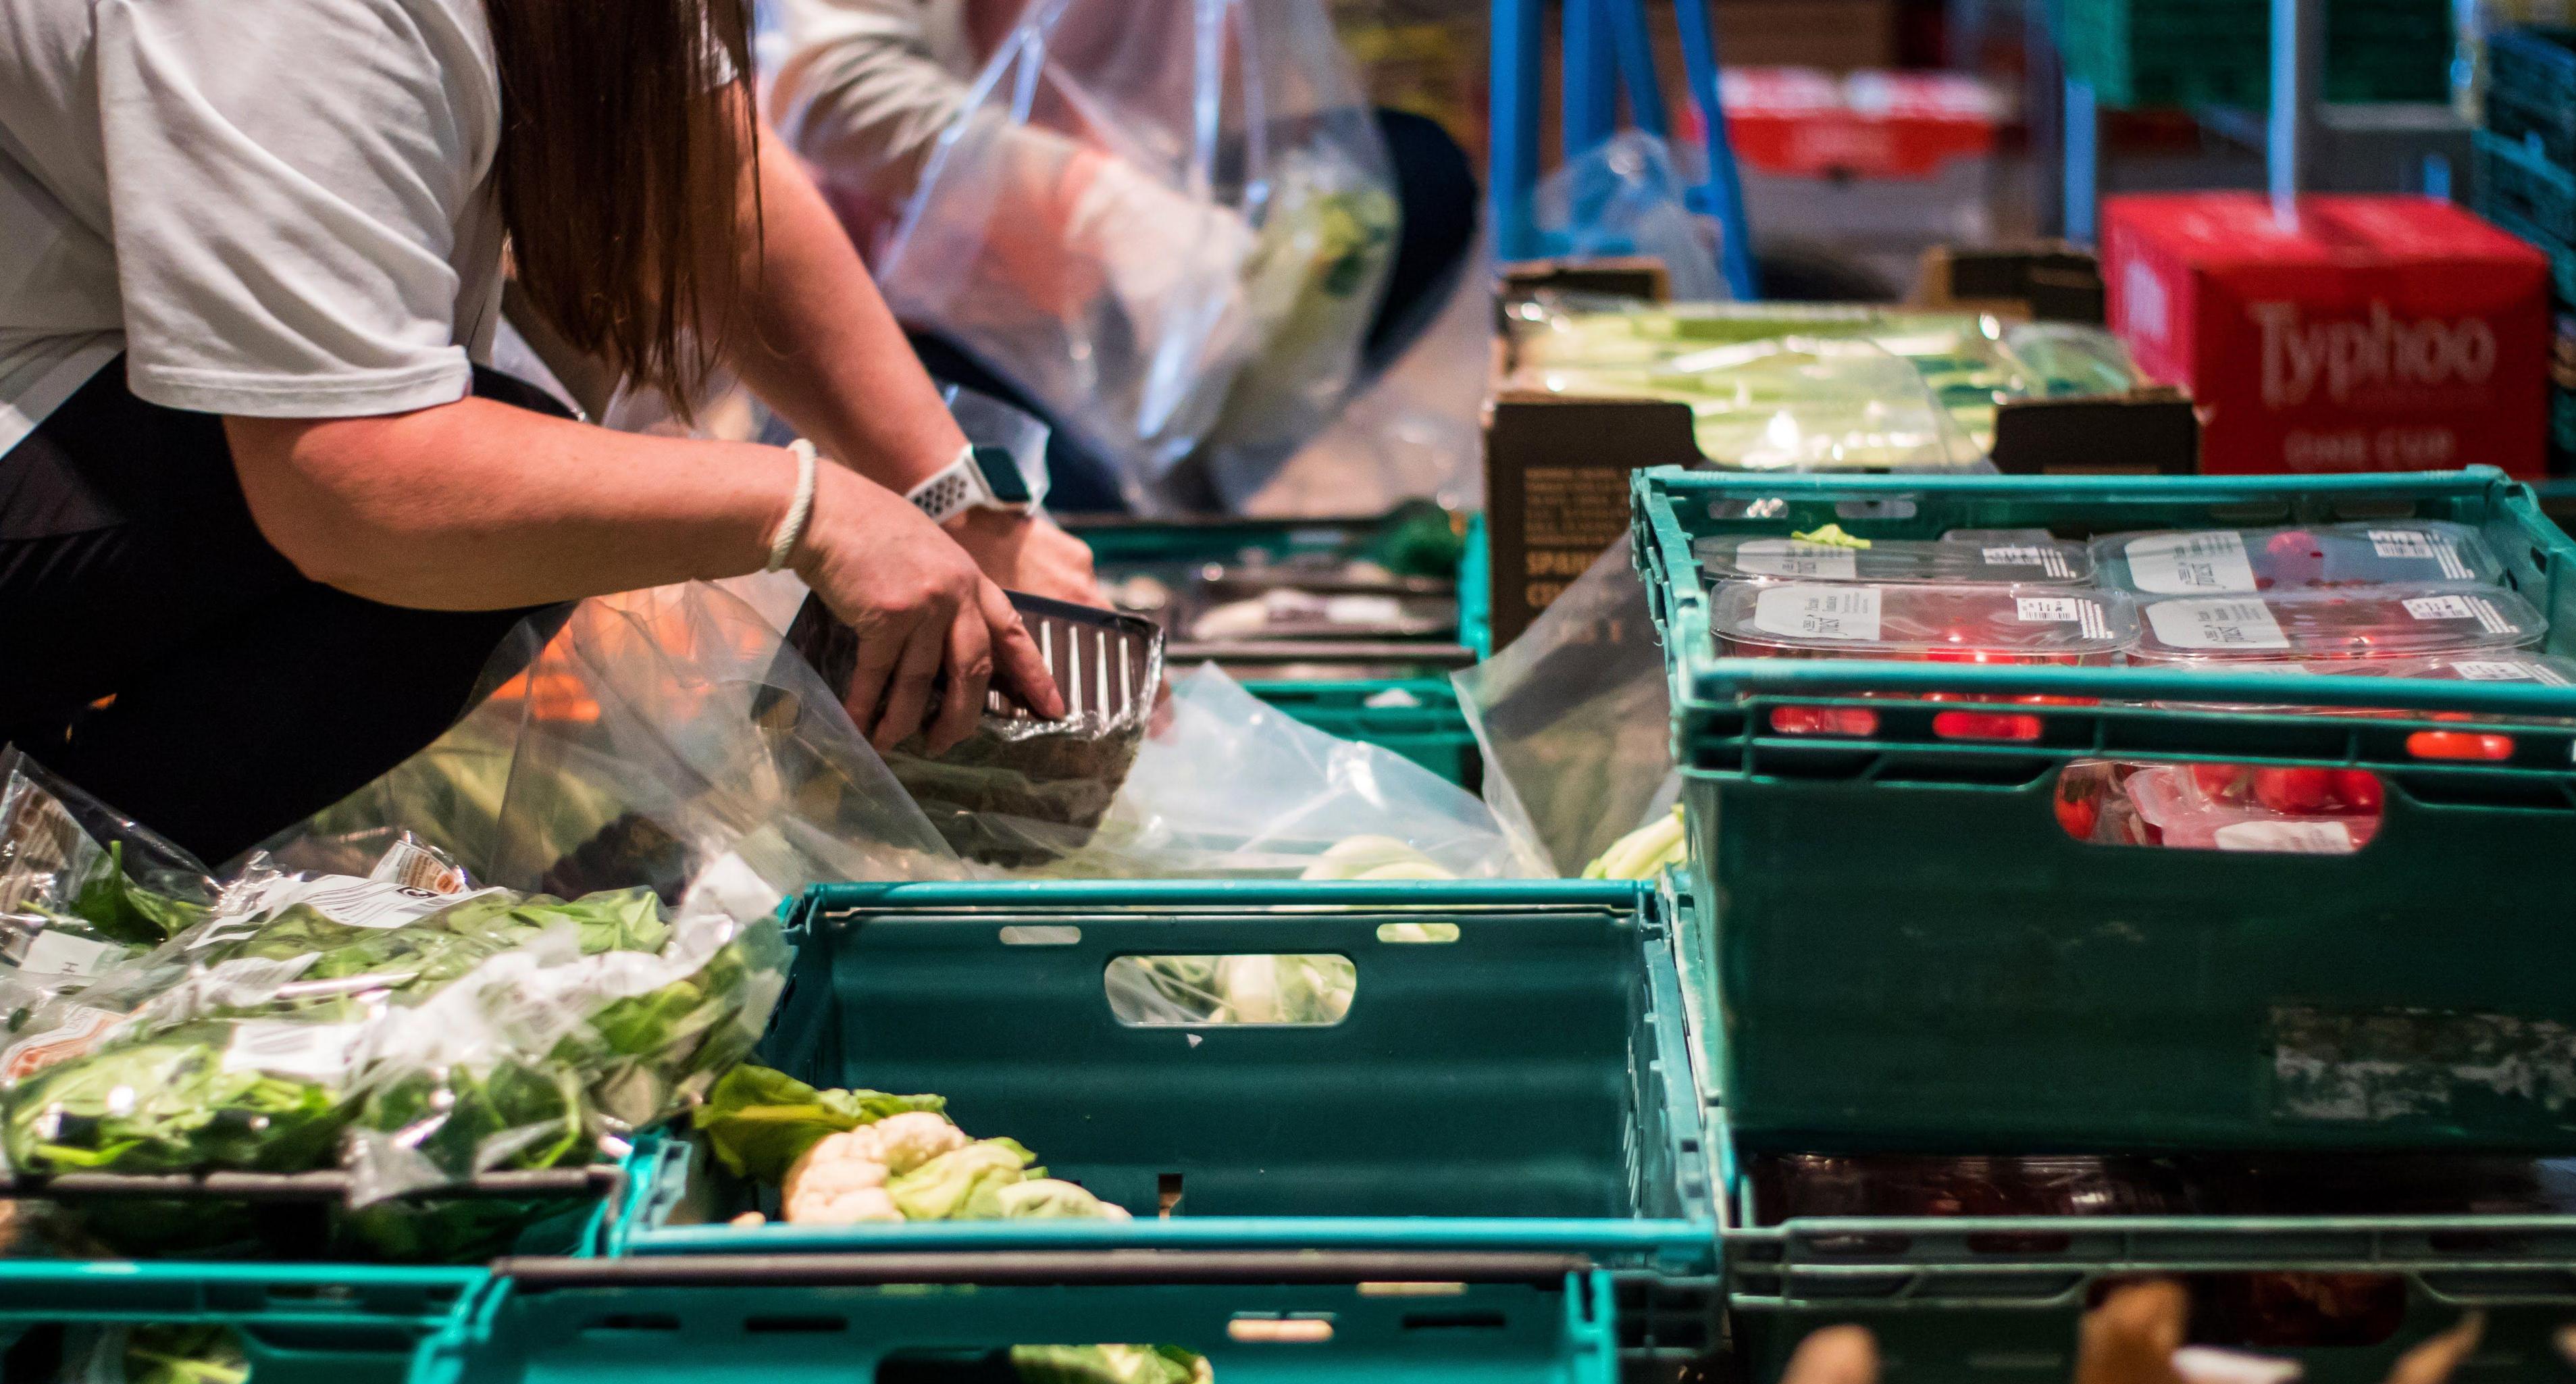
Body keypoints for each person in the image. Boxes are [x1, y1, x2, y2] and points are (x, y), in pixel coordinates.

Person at [0, 0, 1112, 864]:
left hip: (98, 378)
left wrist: (953, 502)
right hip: (44, 413)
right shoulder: (294, 24)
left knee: (533, 468)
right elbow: (351, 479)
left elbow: (708, 179)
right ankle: (73, 923)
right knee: (489, 501)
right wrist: (802, 508)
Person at [766, 0, 1479, 513]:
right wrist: (1093, 204)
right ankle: (1106, 492)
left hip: (1124, 284)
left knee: (1413, 177)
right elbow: (825, 87)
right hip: (928, 309)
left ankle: (1176, 480)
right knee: (1045, 554)